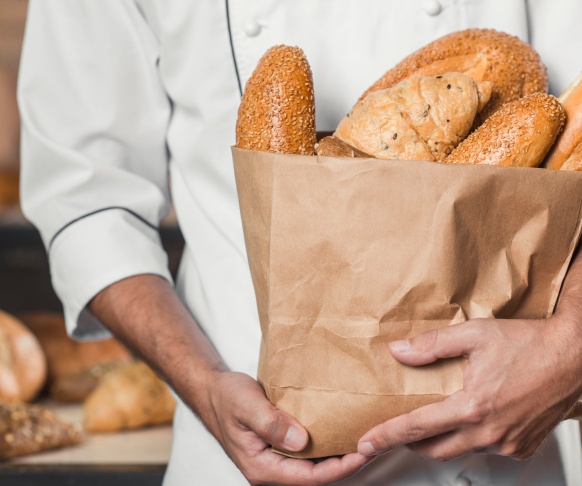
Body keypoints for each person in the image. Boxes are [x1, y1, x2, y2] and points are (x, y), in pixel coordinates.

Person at [17, 1, 582, 485]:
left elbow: (571, 131)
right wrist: (204, 384)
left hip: (502, 461)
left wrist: (570, 348)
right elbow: (87, 200)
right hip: (234, 455)